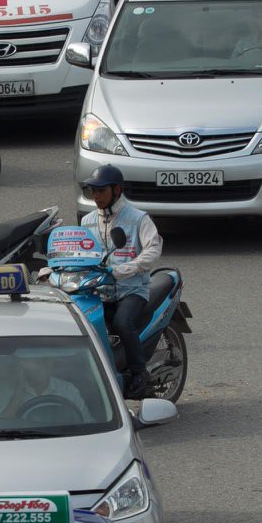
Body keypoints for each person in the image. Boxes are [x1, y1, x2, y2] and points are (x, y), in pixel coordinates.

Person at [77, 165, 162, 399]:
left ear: (116, 190)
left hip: (131, 289)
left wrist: (125, 270)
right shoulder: (87, 221)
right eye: (92, 191)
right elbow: (79, 253)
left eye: (101, 191)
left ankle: (140, 374)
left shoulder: (138, 218)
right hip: (99, 290)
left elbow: (153, 250)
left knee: (123, 322)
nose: (96, 196)